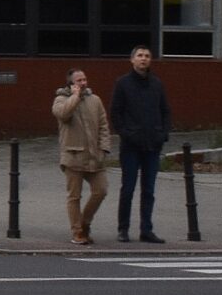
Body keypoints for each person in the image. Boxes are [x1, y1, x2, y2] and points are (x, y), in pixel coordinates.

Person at [109, 44, 172, 244]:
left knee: (149, 190)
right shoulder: (123, 83)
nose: (143, 59)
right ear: (132, 60)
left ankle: (146, 229)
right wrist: (126, 133)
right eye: (140, 55)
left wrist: (162, 134)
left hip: (152, 145)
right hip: (131, 146)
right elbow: (115, 113)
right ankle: (123, 229)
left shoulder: (156, 84)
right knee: (128, 189)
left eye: (147, 56)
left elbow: (165, 111)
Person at [52, 68, 111, 247]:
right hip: (73, 155)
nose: (83, 83)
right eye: (79, 80)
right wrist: (75, 97)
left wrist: (104, 148)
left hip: (94, 156)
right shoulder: (60, 99)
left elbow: (103, 125)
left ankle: (85, 222)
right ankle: (77, 231)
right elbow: (63, 114)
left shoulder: (95, 100)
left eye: (84, 79)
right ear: (70, 84)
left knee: (101, 190)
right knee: (74, 196)